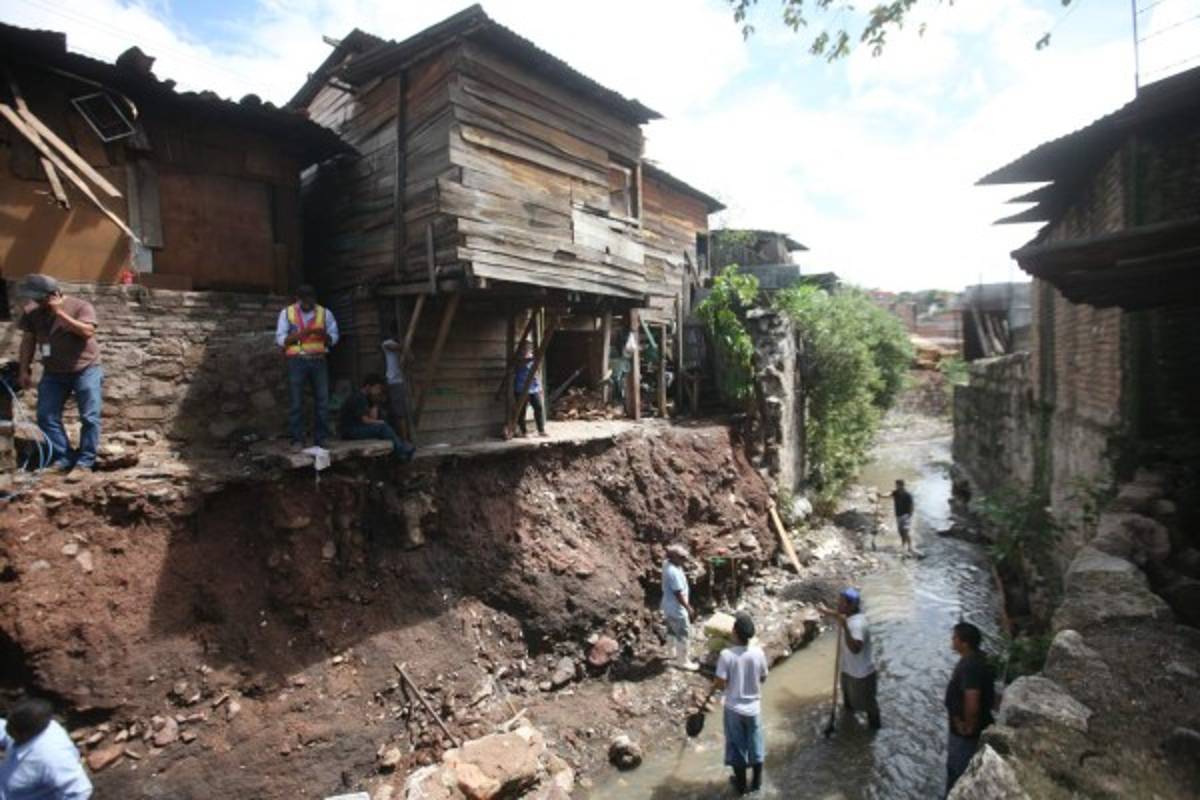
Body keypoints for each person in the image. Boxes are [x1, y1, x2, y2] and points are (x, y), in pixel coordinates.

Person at [16, 275, 102, 472]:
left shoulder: (81, 306)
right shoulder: (31, 312)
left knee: (89, 417)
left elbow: (88, 332)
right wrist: (24, 369)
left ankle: (85, 462)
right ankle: (64, 456)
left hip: (85, 369)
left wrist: (59, 313)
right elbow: (28, 340)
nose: (36, 302)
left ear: (54, 294)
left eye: (40, 298)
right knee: (46, 415)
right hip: (53, 372)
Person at [276, 285, 339, 448]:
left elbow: (335, 337)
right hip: (296, 361)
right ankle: (297, 439)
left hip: (318, 360)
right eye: (304, 299)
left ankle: (322, 438)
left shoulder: (325, 313)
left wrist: (324, 336)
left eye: (310, 299)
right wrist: (299, 336)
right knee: (296, 402)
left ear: (314, 299)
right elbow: (280, 339)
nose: (307, 303)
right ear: (297, 299)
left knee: (323, 401)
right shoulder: (287, 313)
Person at [714, 611, 768, 795]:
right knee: (756, 745)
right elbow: (763, 677)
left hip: (734, 709)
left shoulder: (726, 655)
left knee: (737, 746)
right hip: (754, 709)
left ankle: (741, 785)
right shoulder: (759, 653)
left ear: (734, 632)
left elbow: (720, 683)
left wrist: (725, 683)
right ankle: (757, 783)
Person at [0, 697, 93, 799]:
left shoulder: (52, 757)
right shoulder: (32, 725)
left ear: (24, 733)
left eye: (10, 726)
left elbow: (80, 791)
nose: (6, 728)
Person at [944, 622, 995, 796]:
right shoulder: (977, 659)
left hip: (964, 735)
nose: (952, 640)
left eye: (955, 637)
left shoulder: (969, 667)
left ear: (964, 643)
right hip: (974, 727)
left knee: (957, 771)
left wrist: (967, 726)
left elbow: (972, 701)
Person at [822, 587, 881, 730]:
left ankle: (874, 732)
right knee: (848, 704)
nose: (838, 604)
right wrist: (825, 611)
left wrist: (845, 628)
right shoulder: (848, 616)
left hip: (862, 675)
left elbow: (856, 649)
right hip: (848, 671)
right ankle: (848, 728)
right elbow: (840, 615)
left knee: (869, 707)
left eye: (842, 603)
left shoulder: (856, 624)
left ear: (852, 606)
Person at [339, 374, 414, 462]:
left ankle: (400, 449)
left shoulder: (366, 397)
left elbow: (372, 418)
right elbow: (365, 420)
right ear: (368, 386)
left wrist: (374, 402)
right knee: (382, 427)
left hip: (358, 427)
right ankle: (402, 450)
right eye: (377, 388)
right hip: (349, 431)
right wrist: (380, 422)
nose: (378, 391)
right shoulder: (358, 397)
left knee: (383, 424)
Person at [660, 543, 698, 671]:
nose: (685, 560)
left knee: (671, 630)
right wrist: (688, 607)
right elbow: (678, 594)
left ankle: (671, 653)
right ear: (674, 557)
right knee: (683, 633)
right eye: (682, 557)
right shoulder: (673, 572)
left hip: (667, 605)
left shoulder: (667, 564)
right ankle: (683, 661)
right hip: (677, 608)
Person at [380, 320, 414, 441]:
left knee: (401, 412)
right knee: (397, 412)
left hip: (400, 382)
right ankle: (402, 440)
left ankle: (404, 439)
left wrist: (406, 348)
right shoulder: (387, 343)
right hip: (393, 381)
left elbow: (411, 358)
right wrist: (405, 343)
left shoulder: (401, 346)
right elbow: (395, 347)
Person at [513, 342, 546, 438]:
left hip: (533, 387)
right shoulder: (518, 358)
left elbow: (536, 372)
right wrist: (533, 358)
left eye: (528, 348)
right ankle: (523, 431)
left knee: (538, 407)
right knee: (521, 410)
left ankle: (541, 430)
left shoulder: (532, 357)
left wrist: (540, 386)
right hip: (521, 387)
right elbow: (522, 362)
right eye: (525, 348)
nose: (527, 349)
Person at [891, 479, 914, 553]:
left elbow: (911, 506)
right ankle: (903, 545)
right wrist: (881, 495)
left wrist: (910, 515)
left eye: (897, 485)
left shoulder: (908, 495)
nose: (896, 486)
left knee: (905, 531)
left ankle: (910, 547)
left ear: (901, 485)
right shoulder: (895, 493)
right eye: (896, 485)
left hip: (906, 515)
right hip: (898, 516)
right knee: (900, 532)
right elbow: (888, 495)